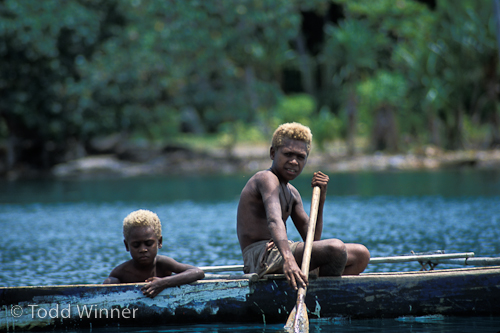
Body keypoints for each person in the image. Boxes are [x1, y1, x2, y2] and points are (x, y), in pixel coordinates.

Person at [237, 122, 370, 290]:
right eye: (288, 154)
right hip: (262, 257)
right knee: (336, 248)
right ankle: (320, 295)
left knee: (361, 255)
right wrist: (289, 259)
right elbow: (274, 220)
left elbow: (313, 239)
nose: (294, 161)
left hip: (282, 252)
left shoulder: (292, 193)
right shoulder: (266, 178)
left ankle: (314, 292)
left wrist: (321, 200)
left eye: (300, 157)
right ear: (273, 153)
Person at [103, 209, 205, 298]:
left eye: (148, 243)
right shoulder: (121, 272)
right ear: (127, 246)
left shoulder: (162, 264)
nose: (143, 249)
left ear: (159, 242)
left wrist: (163, 283)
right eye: (136, 245)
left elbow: (197, 272)